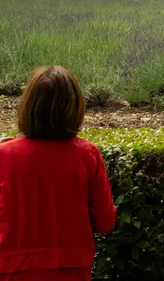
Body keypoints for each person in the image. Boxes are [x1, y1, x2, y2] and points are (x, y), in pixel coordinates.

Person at [0, 66, 117, 281]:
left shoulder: (4, 155)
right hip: (72, 270)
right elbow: (105, 222)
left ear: (28, 106)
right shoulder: (87, 155)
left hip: (10, 269)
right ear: (75, 108)